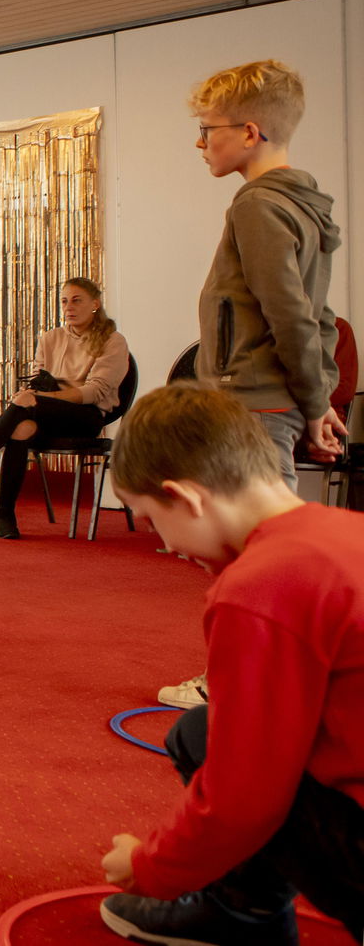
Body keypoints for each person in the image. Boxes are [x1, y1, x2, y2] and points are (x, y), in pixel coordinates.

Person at [96, 384, 363, 945]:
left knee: (208, 741)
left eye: (151, 521)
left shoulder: (259, 585)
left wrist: (150, 866)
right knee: (200, 727)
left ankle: (242, 915)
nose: (166, 545)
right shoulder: (348, 532)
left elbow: (244, 799)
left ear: (187, 499)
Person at [161, 59, 342, 712]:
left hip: (253, 399)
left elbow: (292, 314)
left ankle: (241, 680)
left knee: (255, 550)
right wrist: (318, 402)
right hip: (274, 398)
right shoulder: (303, 203)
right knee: (267, 543)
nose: (201, 142)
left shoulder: (258, 206)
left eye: (207, 129)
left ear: (251, 130)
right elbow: (318, 318)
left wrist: (315, 400)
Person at [0, 278, 129, 538]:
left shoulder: (113, 341)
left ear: (95, 305)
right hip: (44, 412)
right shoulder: (50, 338)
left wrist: (41, 398)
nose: (69, 307)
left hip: (87, 417)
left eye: (77, 300)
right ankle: (5, 514)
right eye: (64, 301)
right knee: (20, 428)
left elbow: (96, 391)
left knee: (26, 406)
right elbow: (38, 378)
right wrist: (33, 395)